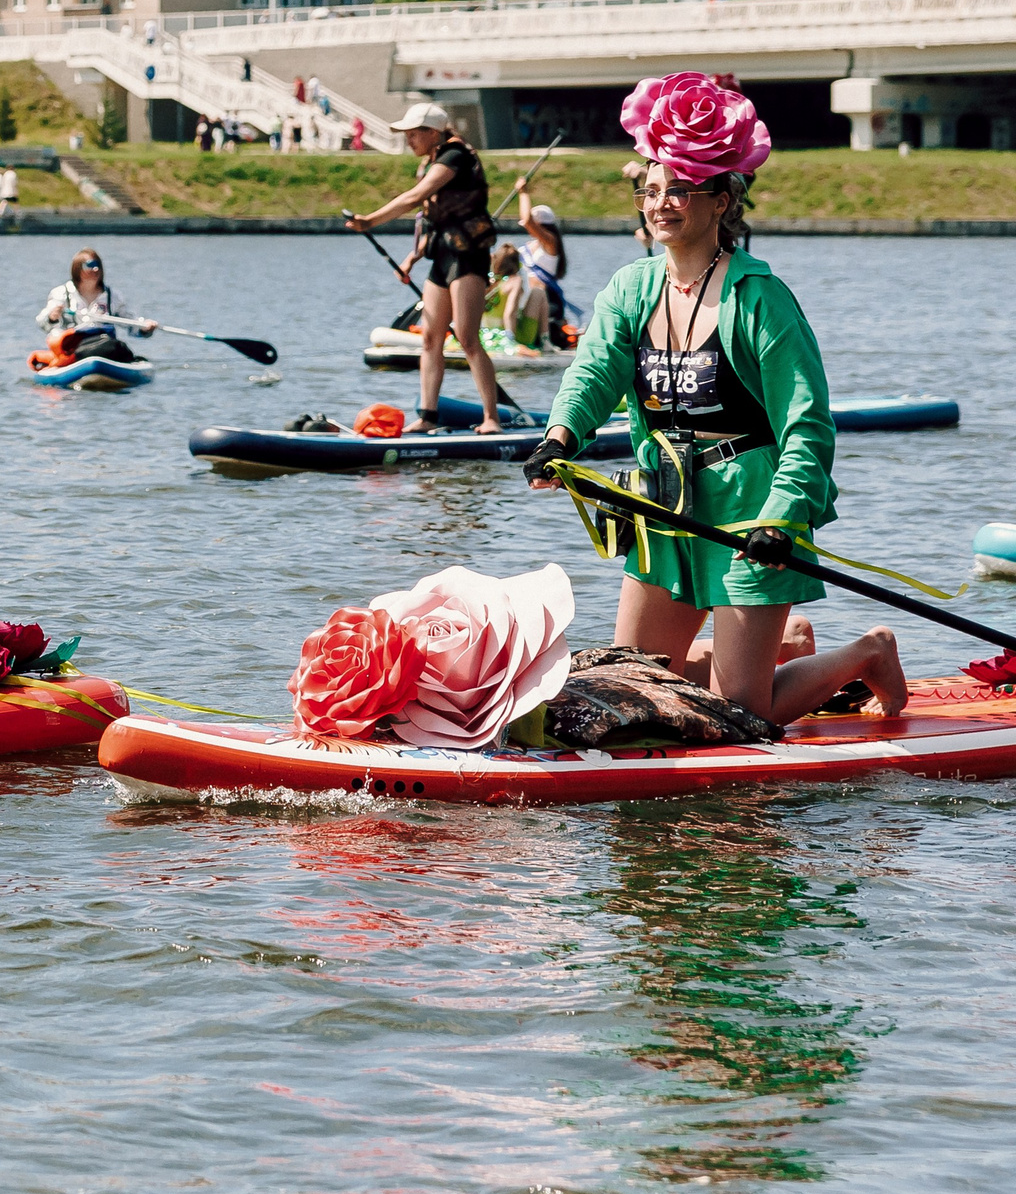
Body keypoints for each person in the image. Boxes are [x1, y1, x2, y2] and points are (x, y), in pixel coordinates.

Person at [523, 71, 905, 724]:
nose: (660, 202)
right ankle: (775, 643)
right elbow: (591, 373)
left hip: (752, 509)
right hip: (664, 506)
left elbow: (807, 425)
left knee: (740, 712)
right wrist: (560, 436)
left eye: (679, 189)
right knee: (628, 683)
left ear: (722, 200)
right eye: (651, 188)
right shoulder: (629, 289)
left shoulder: (762, 299)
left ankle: (869, 650)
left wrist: (779, 519)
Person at [344, 101, 502, 432]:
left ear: (433, 133)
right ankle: (428, 417)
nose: (408, 141)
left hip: (468, 256)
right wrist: (412, 258)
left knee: (467, 337)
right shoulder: (432, 159)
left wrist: (370, 221)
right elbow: (428, 216)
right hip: (442, 256)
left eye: (413, 134)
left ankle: (491, 418)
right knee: (430, 337)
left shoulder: (455, 157)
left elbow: (415, 198)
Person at [38, 250, 155, 360]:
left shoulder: (111, 296)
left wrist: (144, 327)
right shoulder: (61, 293)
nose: (95, 269)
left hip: (104, 345)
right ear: (78, 269)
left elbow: (130, 322)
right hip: (73, 348)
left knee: (116, 347)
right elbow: (42, 323)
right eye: (90, 265)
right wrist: (52, 317)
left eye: (98, 265)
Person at [501, 184, 571, 347]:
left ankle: (545, 342)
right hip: (529, 301)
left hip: (548, 303)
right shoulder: (528, 245)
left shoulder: (550, 242)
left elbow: (527, 221)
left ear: (541, 225)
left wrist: (523, 192)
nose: (528, 229)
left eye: (534, 226)